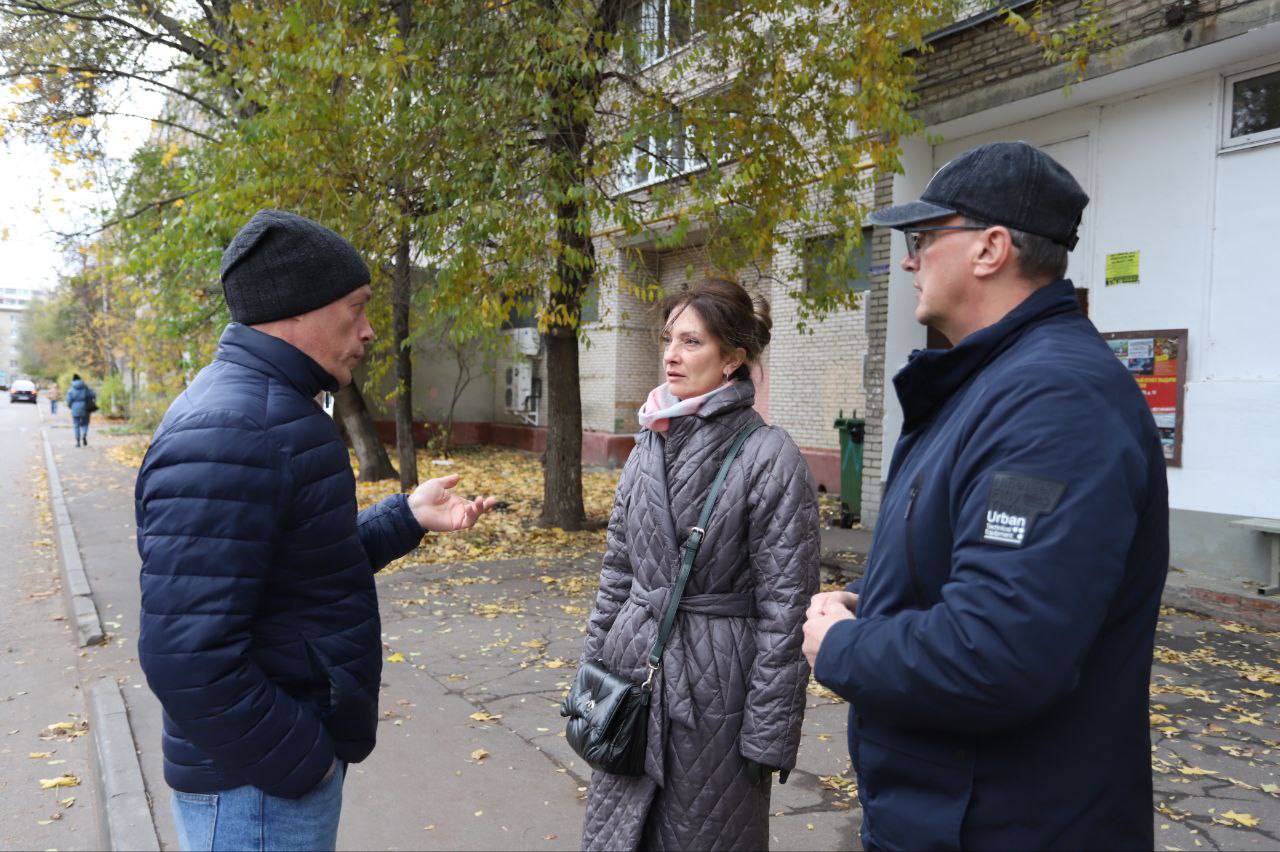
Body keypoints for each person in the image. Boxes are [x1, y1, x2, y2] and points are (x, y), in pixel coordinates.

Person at [802, 141, 1169, 850]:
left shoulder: (1054, 400)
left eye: (924, 237)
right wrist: (878, 607)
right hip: (953, 811)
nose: (909, 260)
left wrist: (844, 648)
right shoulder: (988, 383)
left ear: (991, 248)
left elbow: (997, 652)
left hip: (1002, 823)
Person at [136, 209, 498, 852]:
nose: (368, 330)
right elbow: (186, 654)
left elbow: (297, 572)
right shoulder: (236, 427)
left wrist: (404, 517)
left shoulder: (271, 411)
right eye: (355, 307)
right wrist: (303, 760)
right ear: (297, 309)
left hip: (262, 778)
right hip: (255, 787)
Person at [578, 278, 819, 851]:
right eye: (668, 339)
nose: (670, 354)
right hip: (633, 677)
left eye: (691, 341)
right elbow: (618, 567)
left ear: (733, 357)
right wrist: (594, 666)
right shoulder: (651, 439)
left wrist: (768, 732)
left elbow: (787, 610)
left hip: (718, 697)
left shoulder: (770, 456)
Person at [65, 373, 95, 446]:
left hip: (75, 408)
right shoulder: (86, 387)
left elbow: (68, 400)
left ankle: (78, 441)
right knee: (85, 423)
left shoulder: (71, 390)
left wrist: (70, 406)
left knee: (76, 425)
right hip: (85, 407)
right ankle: (84, 433)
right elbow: (93, 395)